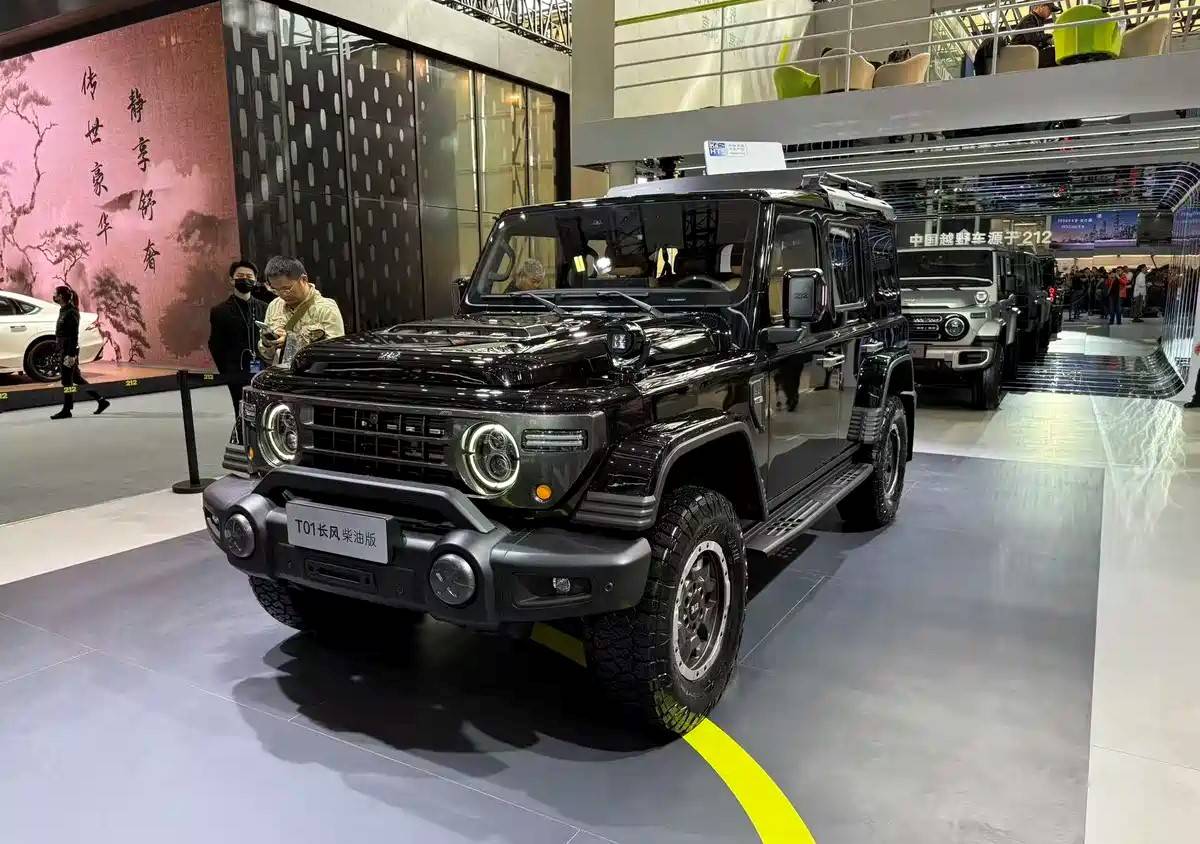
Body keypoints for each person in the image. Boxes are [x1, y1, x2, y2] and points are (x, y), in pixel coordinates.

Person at [259, 256, 344, 366]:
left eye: (287, 288)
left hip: (310, 374)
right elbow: (267, 357)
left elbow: (335, 354)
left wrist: (291, 343)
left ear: (303, 279)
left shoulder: (326, 308)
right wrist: (267, 344)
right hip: (280, 373)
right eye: (276, 290)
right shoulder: (274, 306)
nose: (282, 295)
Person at [208, 260, 268, 414]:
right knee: (241, 409)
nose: (245, 279)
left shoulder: (265, 308)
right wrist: (228, 371)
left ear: (255, 280)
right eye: (240, 276)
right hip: (236, 371)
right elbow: (215, 345)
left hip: (262, 369)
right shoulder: (220, 311)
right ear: (231, 280)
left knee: (264, 408)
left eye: (249, 276)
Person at [50, 286, 110, 420]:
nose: (54, 296)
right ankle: (101, 401)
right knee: (76, 379)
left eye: (55, 294)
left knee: (67, 381)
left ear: (61, 296)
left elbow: (73, 335)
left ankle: (67, 410)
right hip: (64, 349)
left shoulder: (71, 312)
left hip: (69, 351)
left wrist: (71, 355)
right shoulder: (63, 310)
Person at [1011, 2, 1061, 69]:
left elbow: (1037, 41)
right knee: (1053, 53)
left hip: (1027, 54)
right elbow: (1032, 39)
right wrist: (1049, 37)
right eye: (1049, 9)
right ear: (1041, 6)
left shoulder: (1037, 21)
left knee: (1054, 52)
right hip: (1021, 56)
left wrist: (1048, 41)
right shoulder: (1029, 18)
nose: (1050, 13)